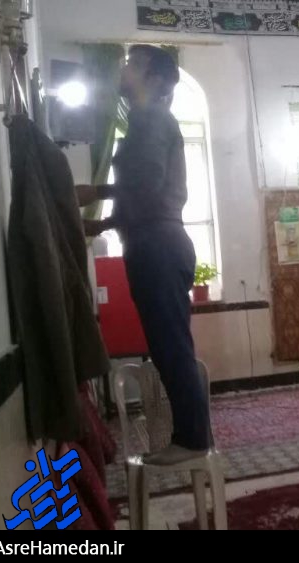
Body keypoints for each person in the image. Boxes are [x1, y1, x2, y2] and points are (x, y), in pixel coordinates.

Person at [77, 45, 212, 465]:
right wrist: (100, 224)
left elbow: (147, 184)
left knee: (171, 347)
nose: (124, 69)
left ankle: (192, 441)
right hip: (157, 241)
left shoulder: (151, 119)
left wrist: (98, 194)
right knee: (169, 346)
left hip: (157, 244)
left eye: (134, 64)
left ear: (155, 79)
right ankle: (192, 438)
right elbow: (144, 188)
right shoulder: (147, 119)